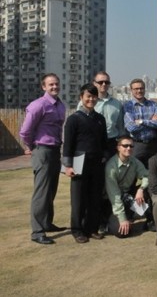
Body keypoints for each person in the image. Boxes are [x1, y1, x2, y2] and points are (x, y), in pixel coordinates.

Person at [20, 73, 66, 245]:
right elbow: (25, 131)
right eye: (51, 84)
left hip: (55, 150)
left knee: (51, 190)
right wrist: (32, 147)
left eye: (56, 84)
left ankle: (47, 223)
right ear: (44, 87)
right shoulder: (38, 105)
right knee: (42, 192)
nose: (54, 87)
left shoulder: (60, 105)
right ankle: (37, 231)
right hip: (42, 150)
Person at [62, 83, 108, 243]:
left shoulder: (100, 119)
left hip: (97, 163)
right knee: (78, 198)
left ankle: (91, 228)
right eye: (88, 96)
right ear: (81, 97)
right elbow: (68, 144)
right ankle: (77, 230)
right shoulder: (73, 119)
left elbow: (104, 142)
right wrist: (67, 166)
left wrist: (105, 157)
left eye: (94, 96)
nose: (91, 99)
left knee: (95, 197)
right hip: (78, 161)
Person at [104, 136, 151, 238]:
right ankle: (107, 224)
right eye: (125, 146)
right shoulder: (111, 167)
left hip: (127, 197)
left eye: (131, 146)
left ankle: (151, 220)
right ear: (118, 147)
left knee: (149, 188)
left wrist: (141, 189)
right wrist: (122, 218)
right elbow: (114, 195)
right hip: (112, 202)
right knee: (122, 232)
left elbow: (147, 176)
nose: (129, 148)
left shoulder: (135, 161)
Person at [123, 78, 157, 167]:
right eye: (136, 89)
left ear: (145, 89)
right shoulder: (128, 106)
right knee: (134, 170)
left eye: (141, 88)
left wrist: (141, 121)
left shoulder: (154, 104)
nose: (139, 91)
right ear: (131, 90)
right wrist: (151, 121)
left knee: (154, 170)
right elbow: (131, 128)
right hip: (137, 145)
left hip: (153, 144)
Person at [88, 71, 124, 159]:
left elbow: (120, 127)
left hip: (111, 143)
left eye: (106, 82)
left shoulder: (117, 104)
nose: (104, 84)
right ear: (94, 83)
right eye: (100, 82)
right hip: (92, 143)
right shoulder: (87, 102)